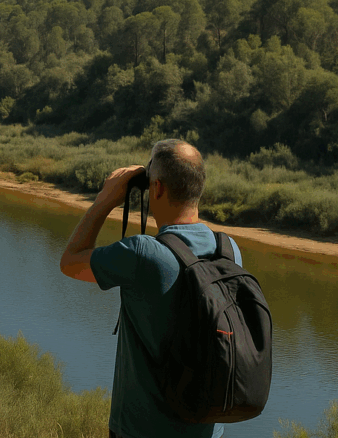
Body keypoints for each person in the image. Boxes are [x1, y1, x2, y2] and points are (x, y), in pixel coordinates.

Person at [58, 139, 243, 438]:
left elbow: (70, 261)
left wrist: (106, 199)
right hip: (209, 432)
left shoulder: (143, 254)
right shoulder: (230, 251)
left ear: (156, 189)